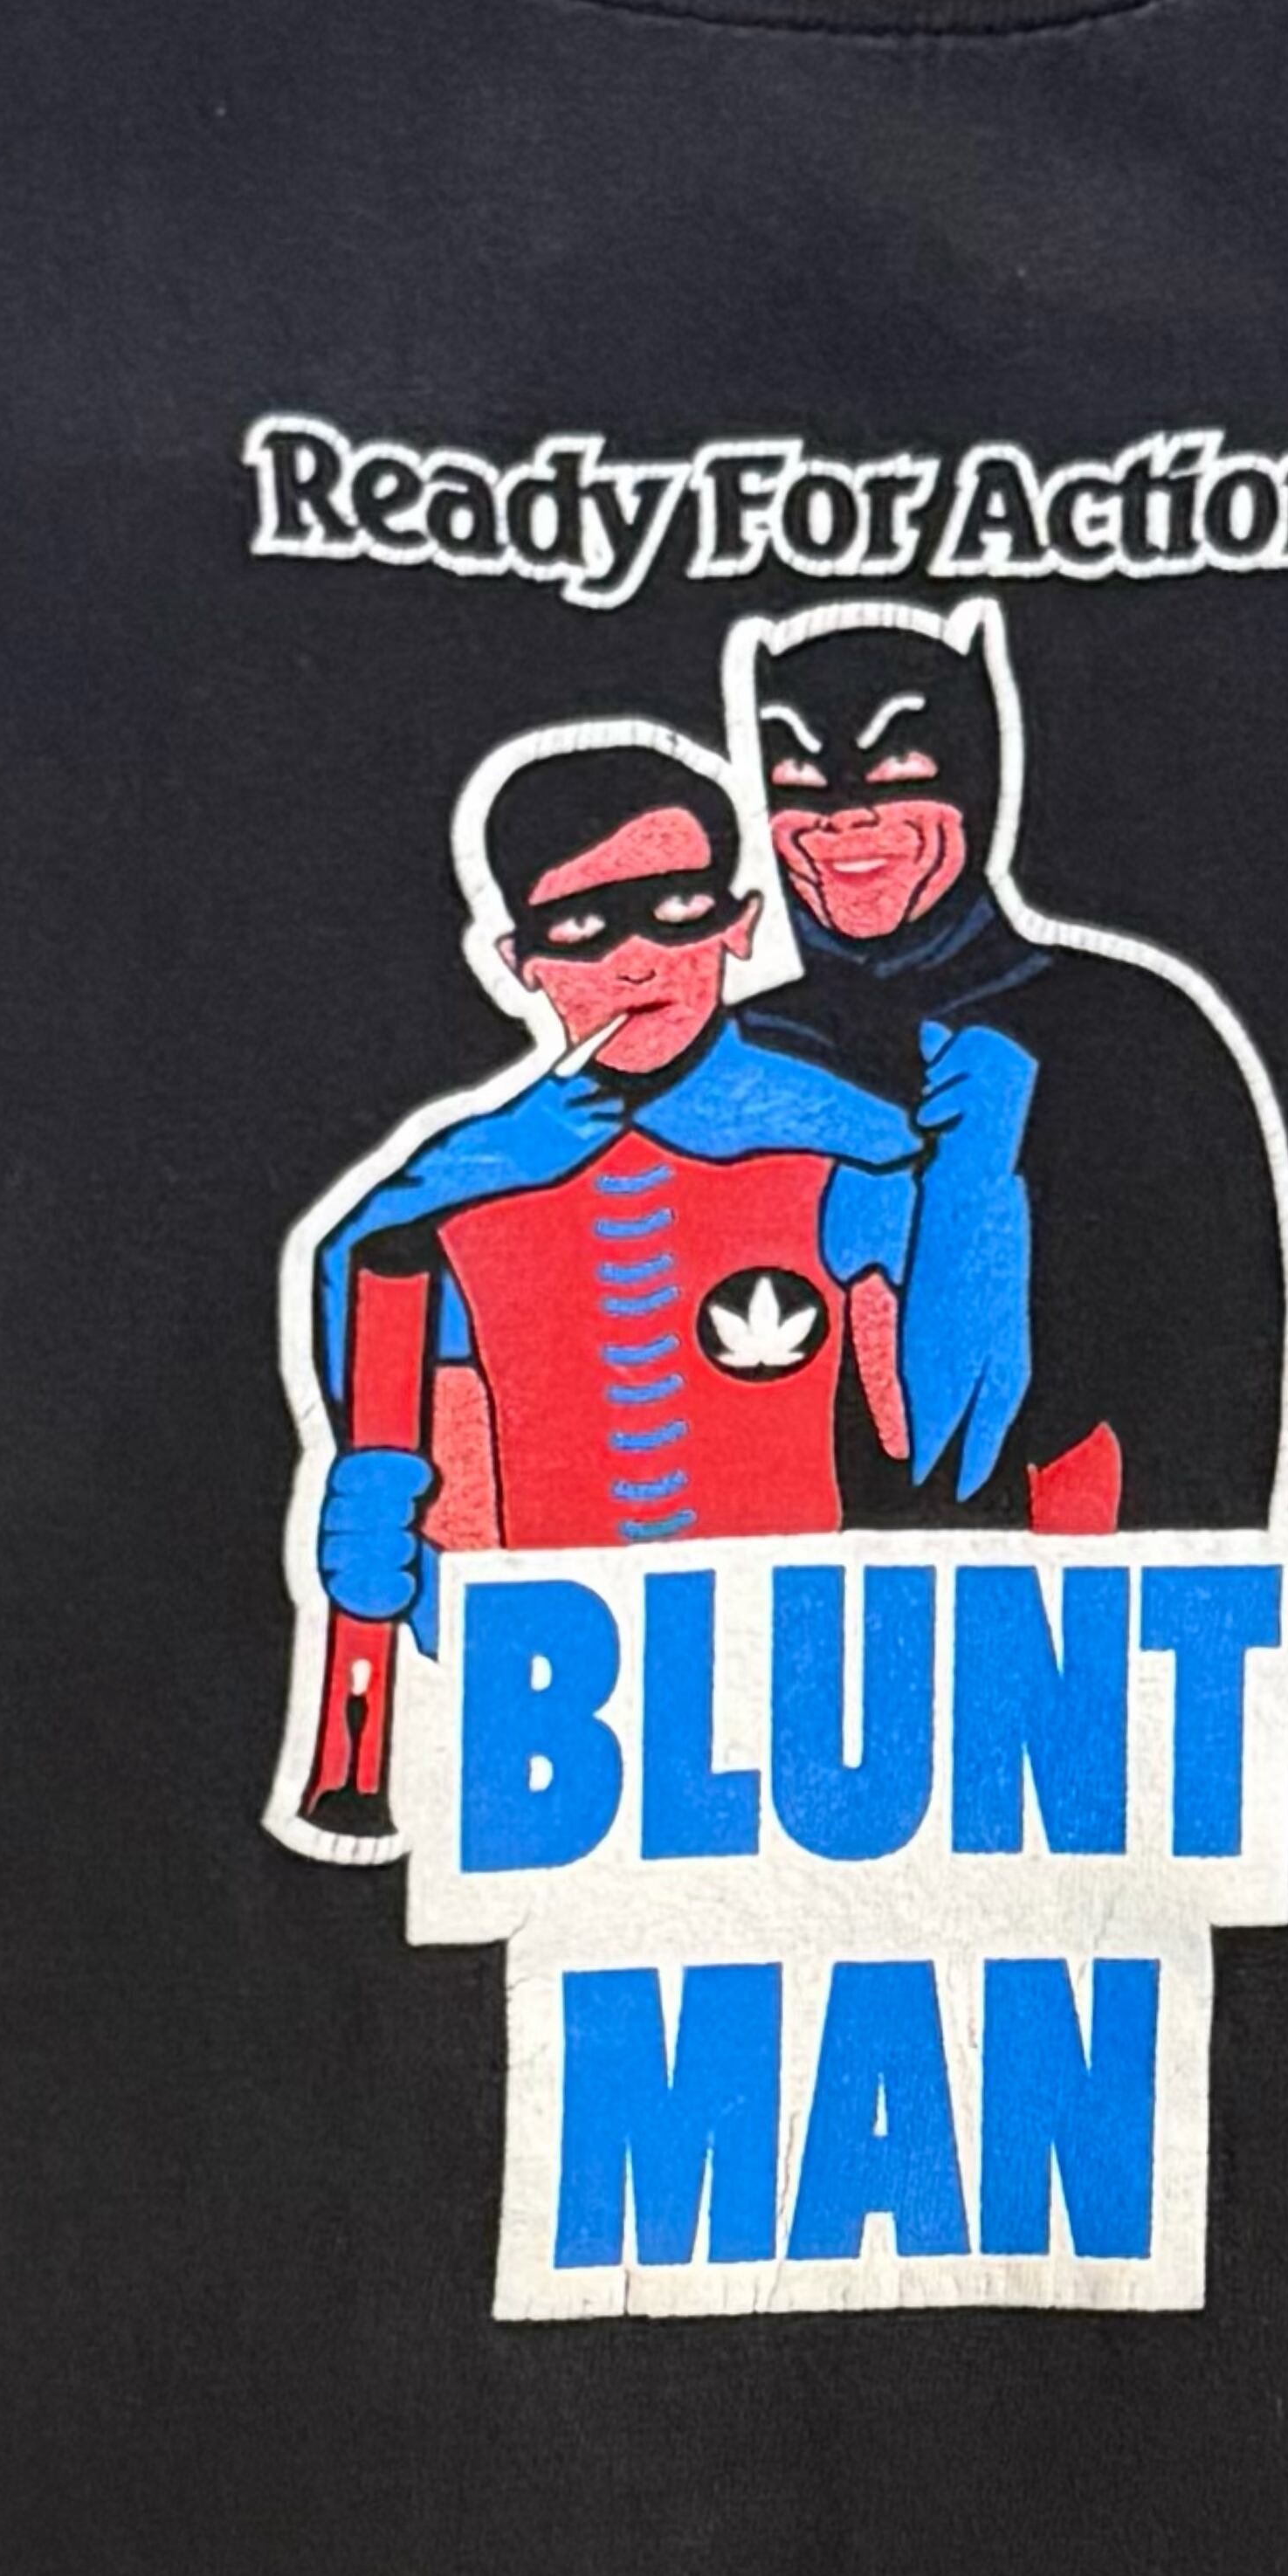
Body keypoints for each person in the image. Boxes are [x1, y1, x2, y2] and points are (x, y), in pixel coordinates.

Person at [286, 729, 1032, 1840]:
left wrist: (973, 1190)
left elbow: (933, 1445)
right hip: (556, 1735)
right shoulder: (434, 1211)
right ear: (522, 961)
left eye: (675, 909)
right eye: (583, 928)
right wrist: (396, 1560)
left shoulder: (850, 1151)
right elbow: (449, 1492)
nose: (637, 961)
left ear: (738, 925)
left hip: (816, 1708)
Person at [726, 603, 1288, 1533]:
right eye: (798, 785)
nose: (845, 817)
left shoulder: (1136, 1032)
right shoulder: (737, 1054)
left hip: (1087, 1585)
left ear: (979, 778)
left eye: (901, 773)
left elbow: (1217, 1379)